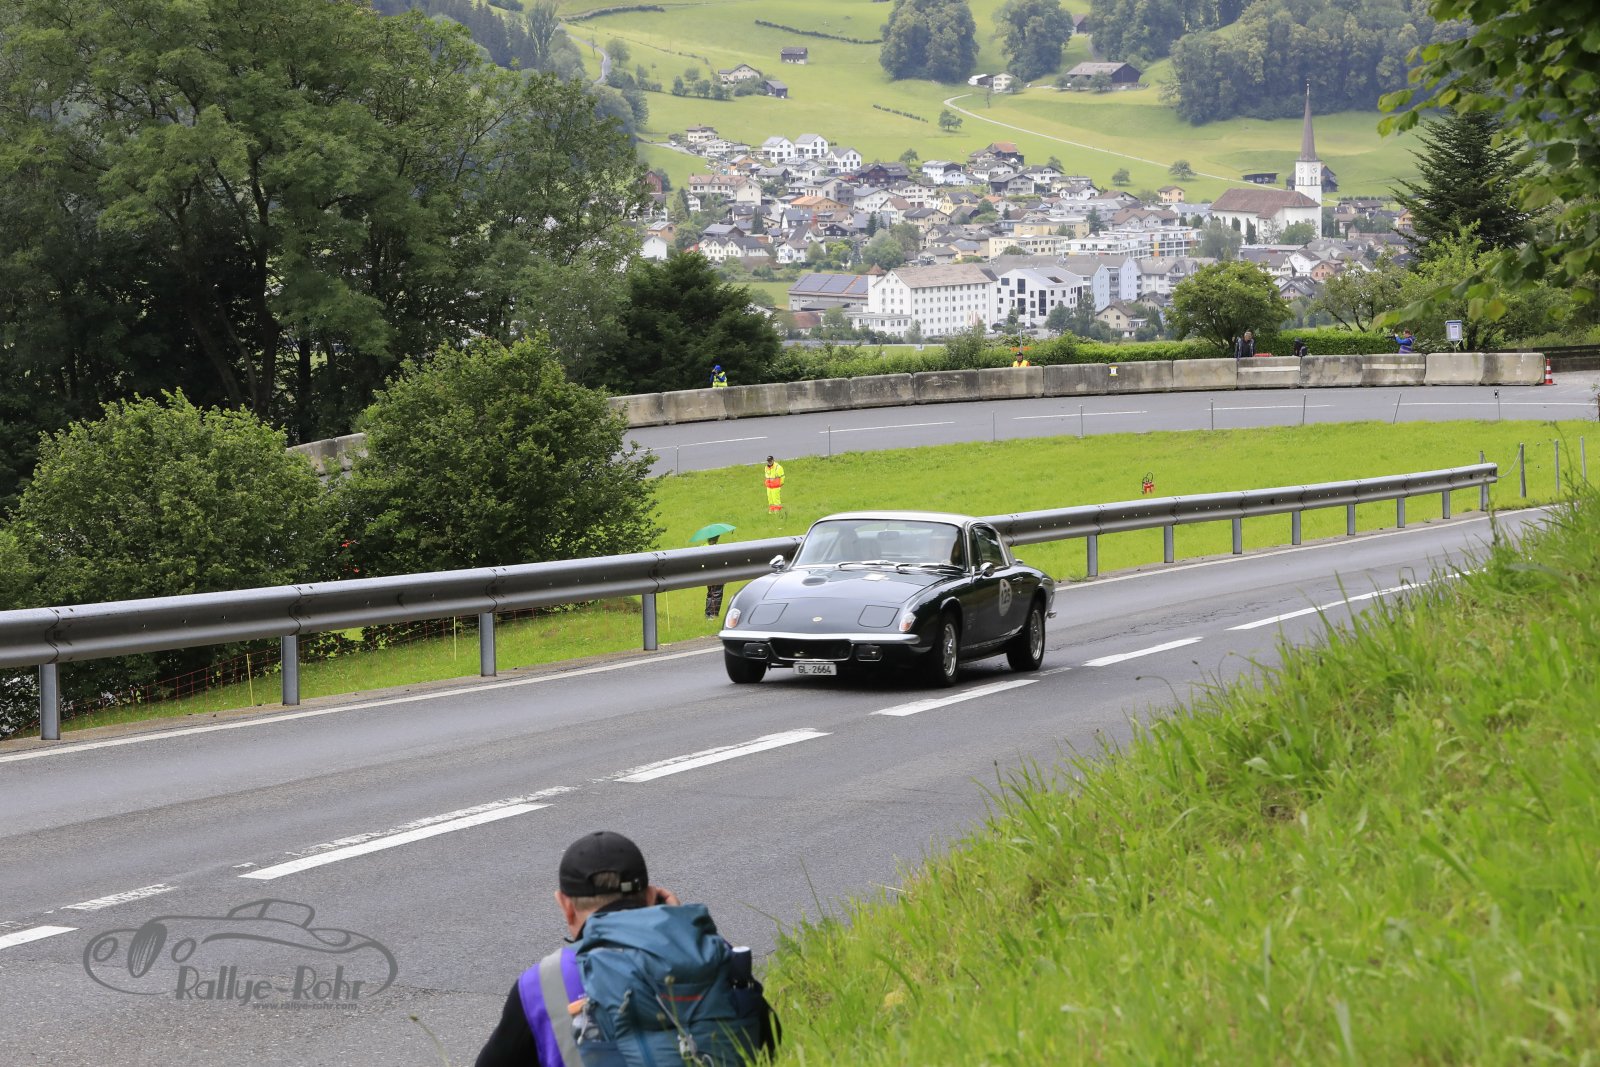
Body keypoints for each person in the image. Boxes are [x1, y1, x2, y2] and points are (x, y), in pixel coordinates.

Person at [475, 831, 775, 1067]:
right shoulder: (710, 954)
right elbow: (767, 1041)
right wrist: (684, 934)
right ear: (651, 897)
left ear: (566, 905)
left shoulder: (543, 982)